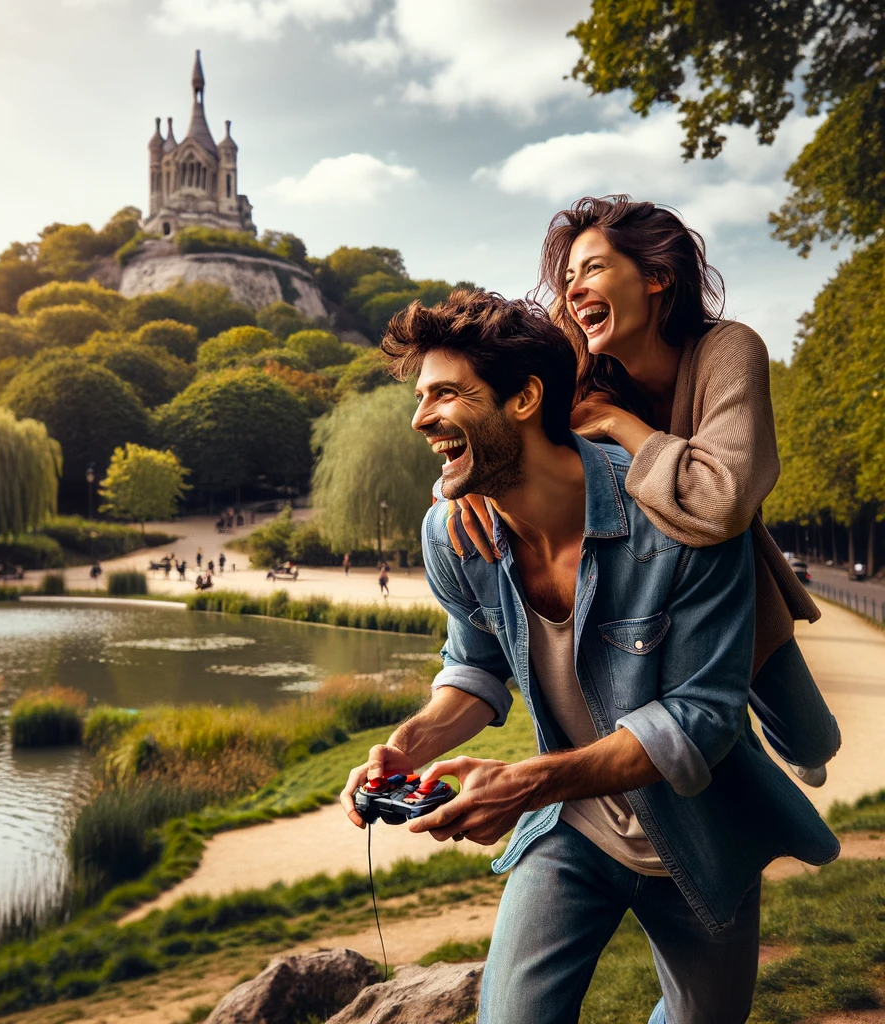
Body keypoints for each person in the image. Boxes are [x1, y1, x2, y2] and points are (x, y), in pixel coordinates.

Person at [340, 291, 838, 1024]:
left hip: (702, 838)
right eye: (420, 397)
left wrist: (527, 781)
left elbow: (701, 720)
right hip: (570, 828)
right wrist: (407, 745)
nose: (420, 418)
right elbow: (473, 672)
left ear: (525, 398)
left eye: (445, 393)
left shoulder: (679, 524)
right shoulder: (450, 533)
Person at [450, 196, 839, 787]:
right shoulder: (573, 373)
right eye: (569, 277)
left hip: (730, 578)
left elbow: (719, 502)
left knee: (813, 741)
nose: (574, 290)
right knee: (688, 739)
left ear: (657, 277)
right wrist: (466, 486)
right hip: (632, 591)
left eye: (594, 269)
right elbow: (506, 435)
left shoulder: (728, 351)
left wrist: (617, 425)